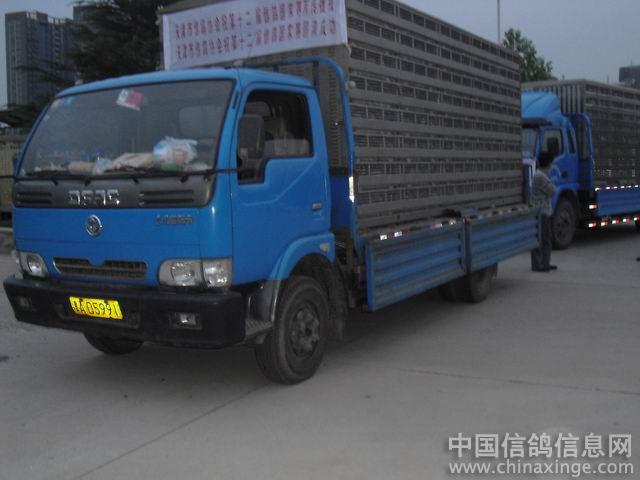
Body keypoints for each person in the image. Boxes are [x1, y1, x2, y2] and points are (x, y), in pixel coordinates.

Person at [531, 150, 558, 272]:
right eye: (551, 163)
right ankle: (541, 264)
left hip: (541, 211)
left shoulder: (539, 175)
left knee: (543, 238)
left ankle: (544, 262)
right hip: (542, 212)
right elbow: (552, 191)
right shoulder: (540, 177)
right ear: (548, 163)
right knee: (544, 239)